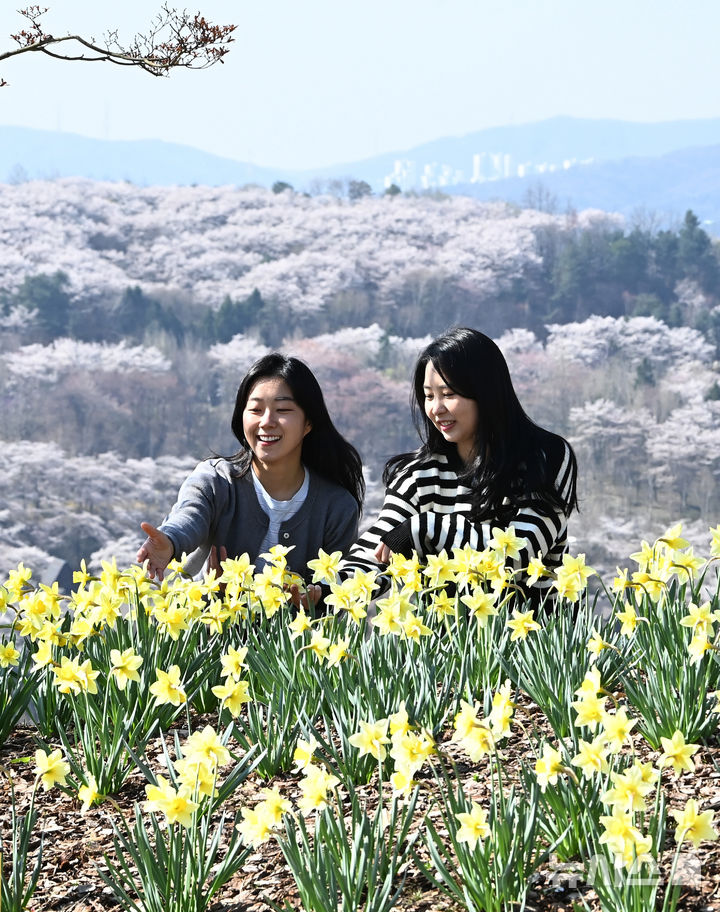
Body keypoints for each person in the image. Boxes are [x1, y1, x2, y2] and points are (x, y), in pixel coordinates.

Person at [344, 327, 578, 605]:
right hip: (445, 642)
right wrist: (325, 590)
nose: (436, 408)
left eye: (449, 394)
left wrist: (424, 528)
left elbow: (519, 554)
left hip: (531, 637)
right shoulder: (418, 474)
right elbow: (380, 546)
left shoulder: (546, 457)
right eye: (429, 396)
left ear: (486, 392)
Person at [137, 353, 364, 594]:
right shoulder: (216, 481)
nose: (267, 421)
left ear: (308, 422)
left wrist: (312, 603)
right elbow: (189, 517)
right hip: (208, 628)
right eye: (255, 409)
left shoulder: (336, 507)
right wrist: (170, 542)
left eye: (283, 409)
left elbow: (336, 600)